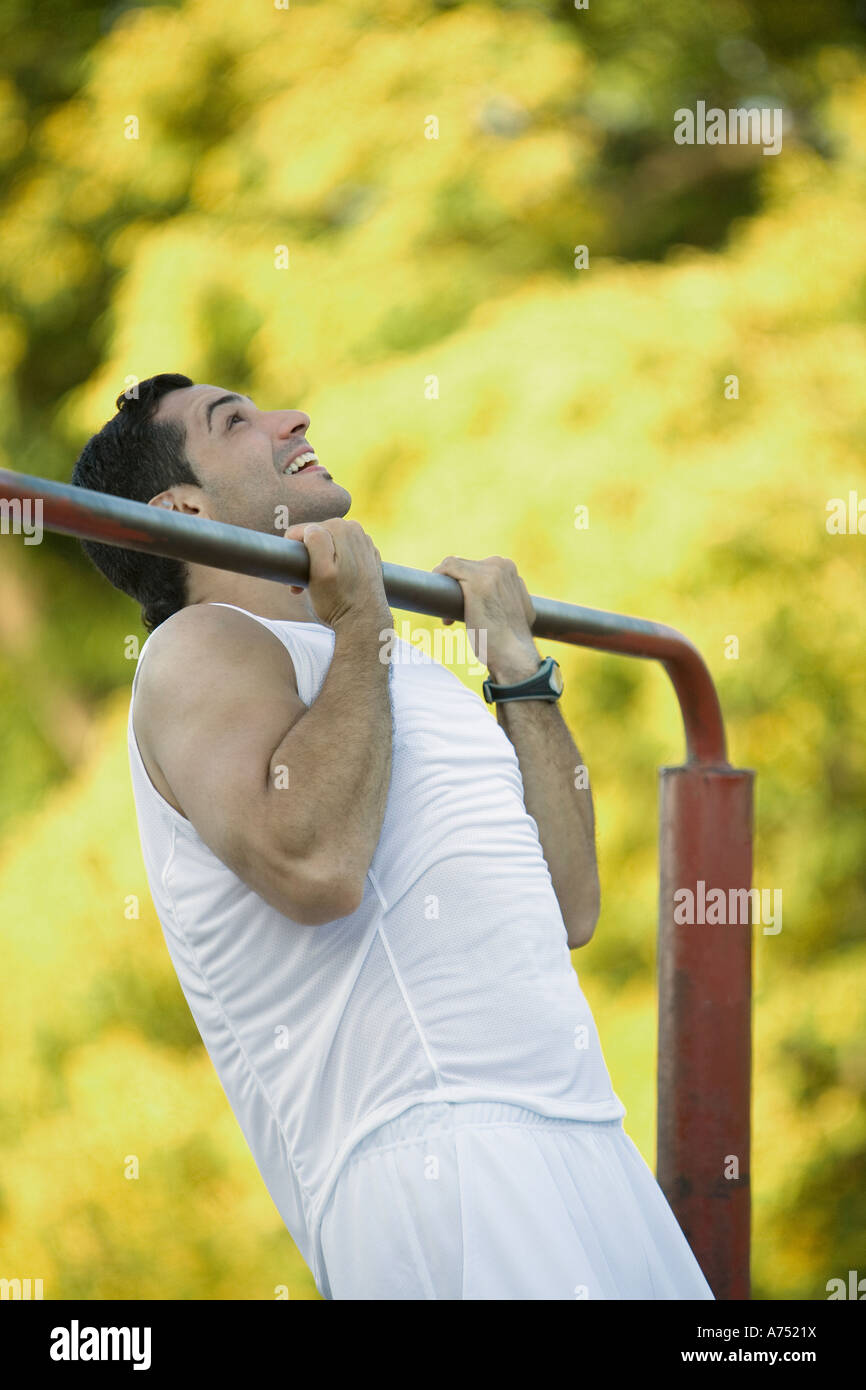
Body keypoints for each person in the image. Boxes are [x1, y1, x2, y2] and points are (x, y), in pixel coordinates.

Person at [71, 373, 714, 1300]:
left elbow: (570, 902)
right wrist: (364, 616)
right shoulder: (199, 647)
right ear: (180, 506)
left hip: (589, 1144)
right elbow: (318, 865)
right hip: (436, 1164)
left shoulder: (387, 667)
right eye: (235, 422)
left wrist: (518, 671)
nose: (290, 419)